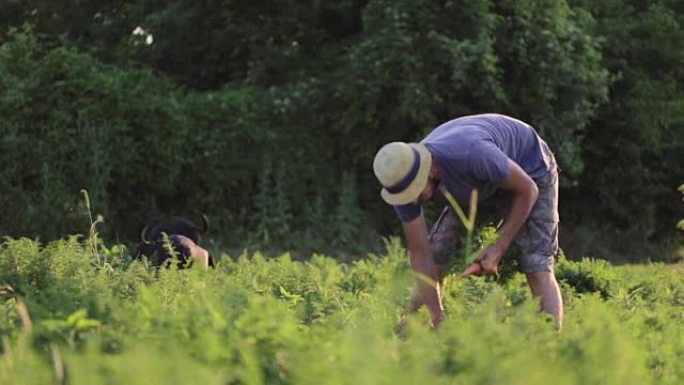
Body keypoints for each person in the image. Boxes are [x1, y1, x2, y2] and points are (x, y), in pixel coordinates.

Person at [372, 113, 563, 328]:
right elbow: (421, 254)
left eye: (416, 190)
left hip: (530, 172)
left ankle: (551, 344)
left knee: (536, 263)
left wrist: (498, 248)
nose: (413, 200)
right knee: (437, 252)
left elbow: (528, 190)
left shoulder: (471, 153)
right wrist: (438, 316)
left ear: (431, 169)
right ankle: (413, 329)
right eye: (407, 196)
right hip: (474, 185)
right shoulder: (400, 180)